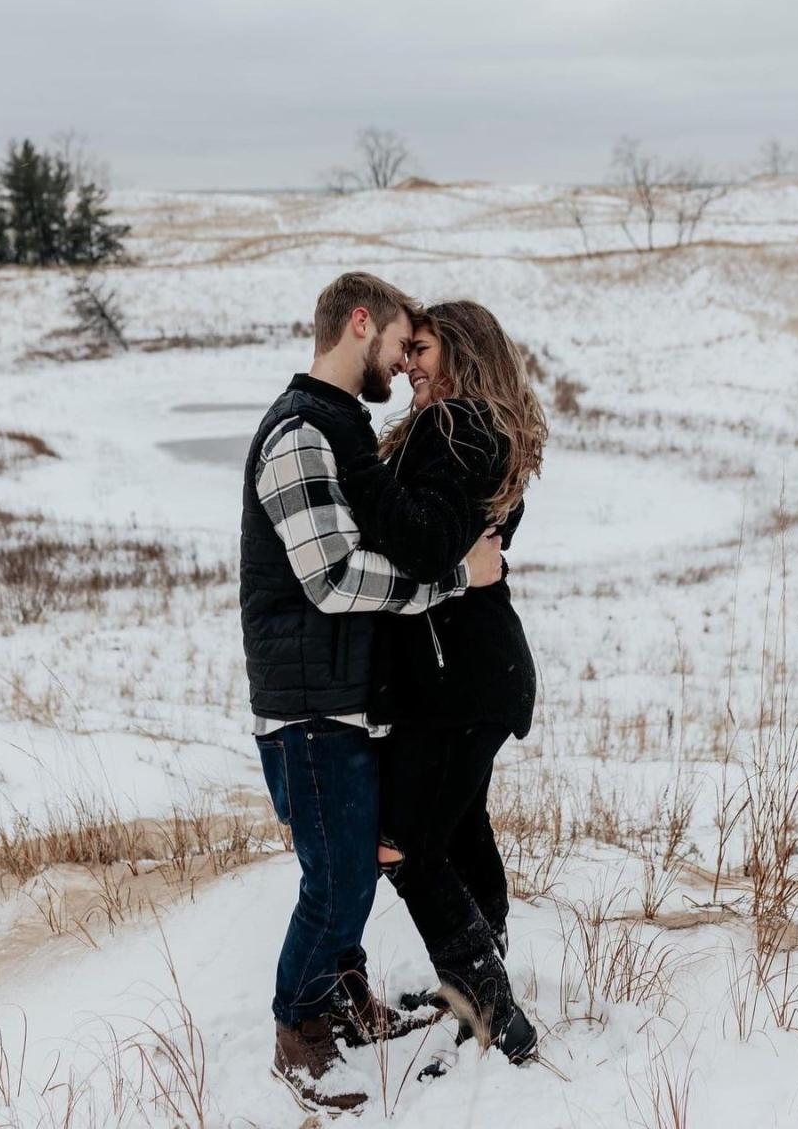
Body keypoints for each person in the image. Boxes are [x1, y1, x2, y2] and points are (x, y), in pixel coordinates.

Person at [240, 272, 504, 1115]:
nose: (402, 358)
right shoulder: (298, 434)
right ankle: (299, 1034)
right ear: (362, 324)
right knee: (340, 876)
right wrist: (454, 578)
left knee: (349, 862)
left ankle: (343, 995)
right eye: (399, 340)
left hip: (342, 695)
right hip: (307, 702)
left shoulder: (340, 427)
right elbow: (332, 578)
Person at [335, 300, 548, 1068]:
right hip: (479, 671)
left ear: (461, 352)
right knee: (460, 828)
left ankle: (493, 1014)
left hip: (456, 676)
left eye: (421, 350)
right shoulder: (492, 430)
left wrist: (358, 463)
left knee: (406, 843)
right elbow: (448, 538)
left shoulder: (450, 427)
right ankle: (477, 981)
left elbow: (425, 542)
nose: (408, 364)